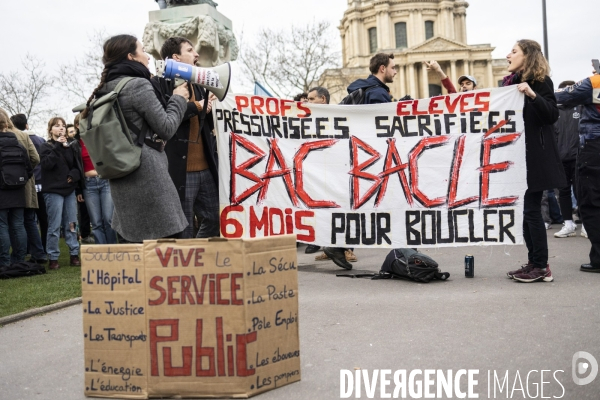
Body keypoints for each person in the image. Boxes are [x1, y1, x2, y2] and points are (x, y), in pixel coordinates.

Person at [81, 34, 189, 241]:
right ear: (131, 56)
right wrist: (178, 100)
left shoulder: (104, 90)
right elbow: (166, 128)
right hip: (149, 174)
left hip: (121, 172)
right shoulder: (138, 85)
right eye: (142, 50)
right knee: (168, 243)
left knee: (136, 249)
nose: (147, 56)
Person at [322, 54, 397, 270]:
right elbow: (380, 126)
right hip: (371, 157)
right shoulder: (376, 93)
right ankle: (339, 244)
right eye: (393, 67)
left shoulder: (364, 89)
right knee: (369, 203)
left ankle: (340, 244)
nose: (395, 71)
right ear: (382, 68)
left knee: (364, 203)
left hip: (362, 156)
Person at [503, 39, 566, 283]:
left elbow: (551, 114)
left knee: (532, 211)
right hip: (520, 157)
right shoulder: (512, 84)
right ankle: (534, 262)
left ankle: (541, 266)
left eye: (514, 51)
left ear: (527, 56)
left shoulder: (541, 83)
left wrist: (531, 94)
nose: (508, 54)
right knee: (526, 212)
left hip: (537, 157)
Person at [154, 36, 220, 239]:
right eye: (190, 50)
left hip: (206, 168)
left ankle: (198, 257)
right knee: (184, 227)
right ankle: (187, 267)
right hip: (180, 170)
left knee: (214, 219)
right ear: (176, 57)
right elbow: (165, 117)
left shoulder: (199, 84)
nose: (197, 54)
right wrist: (198, 106)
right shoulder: (159, 84)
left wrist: (211, 108)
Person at [555, 63, 600, 273]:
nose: (593, 72)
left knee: (590, 203)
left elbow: (562, 97)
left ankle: (599, 258)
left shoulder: (595, 82)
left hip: (594, 147)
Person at [39, 117, 84, 270]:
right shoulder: (46, 147)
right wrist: (58, 146)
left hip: (69, 190)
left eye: (63, 126)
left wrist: (74, 175)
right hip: (53, 192)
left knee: (71, 224)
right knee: (54, 225)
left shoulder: (70, 147)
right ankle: (53, 257)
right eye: (57, 126)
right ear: (50, 129)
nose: (61, 128)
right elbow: (47, 165)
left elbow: (77, 167)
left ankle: (74, 254)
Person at [1, 110, 45, 265]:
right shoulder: (22, 136)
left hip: (3, 188)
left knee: (3, 224)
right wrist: (23, 175)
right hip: (22, 186)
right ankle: (26, 256)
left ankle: (6, 260)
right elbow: (34, 159)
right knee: (22, 222)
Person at [74, 114, 118, 244]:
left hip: (105, 181)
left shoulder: (98, 138)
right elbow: (75, 167)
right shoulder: (75, 144)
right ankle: (101, 252)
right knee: (96, 222)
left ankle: (113, 249)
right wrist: (78, 190)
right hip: (88, 184)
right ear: (77, 125)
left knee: (109, 218)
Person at [11, 113, 49, 251]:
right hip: (42, 182)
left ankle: (28, 248)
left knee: (27, 218)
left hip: (26, 183)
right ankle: (44, 247)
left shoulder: (15, 138)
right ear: (26, 125)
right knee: (43, 219)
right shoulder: (41, 140)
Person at [0, 111, 33, 268]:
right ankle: (20, 259)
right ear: (7, 124)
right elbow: (29, 168)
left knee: (2, 226)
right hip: (18, 190)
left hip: (1, 191)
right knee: (18, 225)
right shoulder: (18, 144)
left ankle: (4, 261)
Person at [553, 80, 585, 238]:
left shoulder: (581, 107)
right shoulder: (554, 111)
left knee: (582, 192)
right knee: (563, 193)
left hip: (579, 157)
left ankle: (586, 224)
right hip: (560, 159)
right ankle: (568, 224)